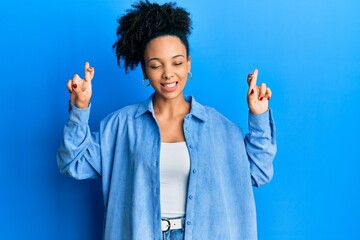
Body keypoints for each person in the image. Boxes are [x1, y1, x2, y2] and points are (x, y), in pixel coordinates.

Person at [57, 1, 276, 239]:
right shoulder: (121, 126)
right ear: (144, 70)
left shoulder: (219, 127)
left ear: (188, 64)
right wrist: (80, 107)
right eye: (155, 65)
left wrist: (258, 114)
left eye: (177, 62)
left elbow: (259, 171)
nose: (168, 73)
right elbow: (73, 163)